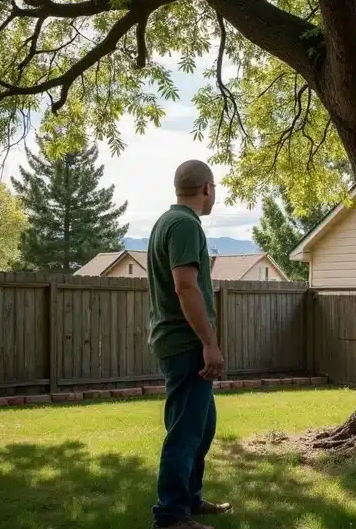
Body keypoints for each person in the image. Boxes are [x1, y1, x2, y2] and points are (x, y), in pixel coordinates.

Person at [147, 159, 231, 529]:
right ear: (207, 189)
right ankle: (171, 515)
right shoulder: (185, 225)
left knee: (202, 426)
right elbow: (184, 286)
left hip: (176, 341)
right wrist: (209, 344)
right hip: (185, 344)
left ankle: (190, 499)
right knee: (185, 431)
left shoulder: (168, 222)